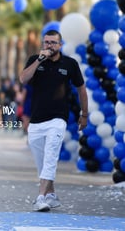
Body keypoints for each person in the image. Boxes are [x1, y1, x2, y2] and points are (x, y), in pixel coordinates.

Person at [19, 29, 88, 212]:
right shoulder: (35, 60)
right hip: (36, 119)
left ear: (60, 45)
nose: (49, 46)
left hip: (58, 118)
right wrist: (39, 61)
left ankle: (40, 197)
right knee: (41, 161)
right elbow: (23, 79)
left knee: (50, 156)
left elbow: (81, 89)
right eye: (46, 42)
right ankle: (51, 194)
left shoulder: (70, 64)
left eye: (53, 43)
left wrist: (85, 114)